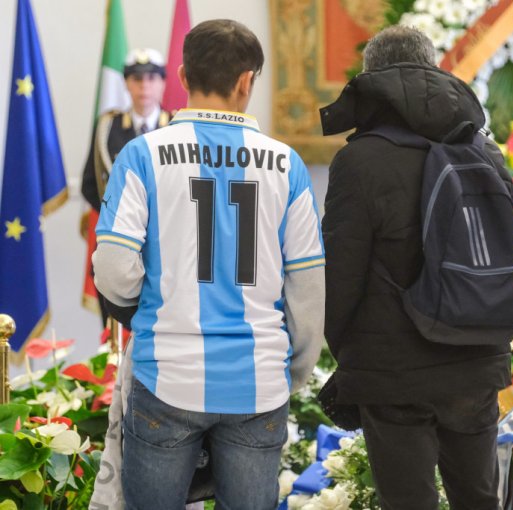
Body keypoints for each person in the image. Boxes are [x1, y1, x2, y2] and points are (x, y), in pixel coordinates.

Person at [92, 19, 325, 510]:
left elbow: (112, 269)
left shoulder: (141, 155)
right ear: (247, 81)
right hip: (258, 381)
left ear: (181, 75)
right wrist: (293, 371)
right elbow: (307, 287)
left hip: (166, 377)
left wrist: (148, 306)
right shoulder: (288, 164)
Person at [321, 26, 513, 510]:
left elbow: (341, 274)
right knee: (480, 500)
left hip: (393, 368)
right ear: (432, 70)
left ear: (370, 80)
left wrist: (346, 353)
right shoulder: (484, 150)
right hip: (476, 358)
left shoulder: (360, 160)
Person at [81, 48, 171, 326]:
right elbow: (90, 184)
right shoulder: (108, 128)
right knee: (115, 329)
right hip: (118, 243)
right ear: (126, 83)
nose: (144, 86)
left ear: (163, 83)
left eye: (152, 78)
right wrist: (122, 219)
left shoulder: (175, 127)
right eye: (137, 79)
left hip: (166, 246)